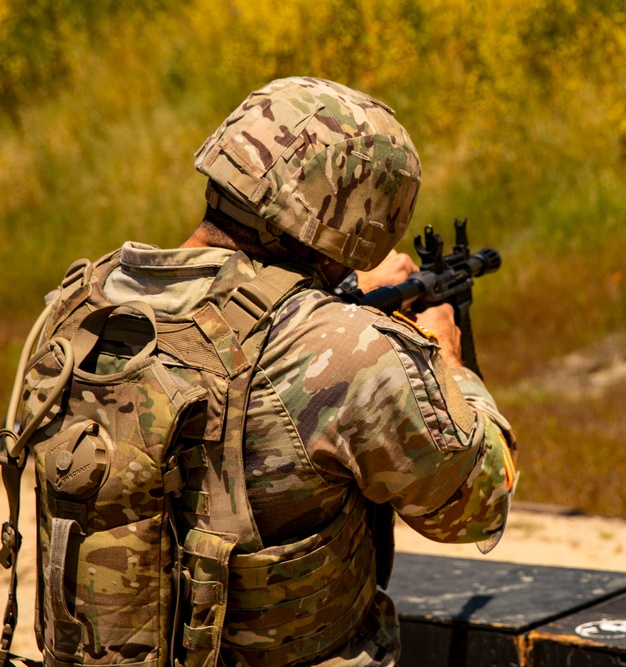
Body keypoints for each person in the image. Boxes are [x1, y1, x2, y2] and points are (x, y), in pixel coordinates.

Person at [23, 77, 518, 667]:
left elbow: (236, 302)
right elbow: (477, 506)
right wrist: (445, 354)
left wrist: (337, 297)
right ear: (357, 213)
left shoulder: (79, 311)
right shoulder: (348, 353)